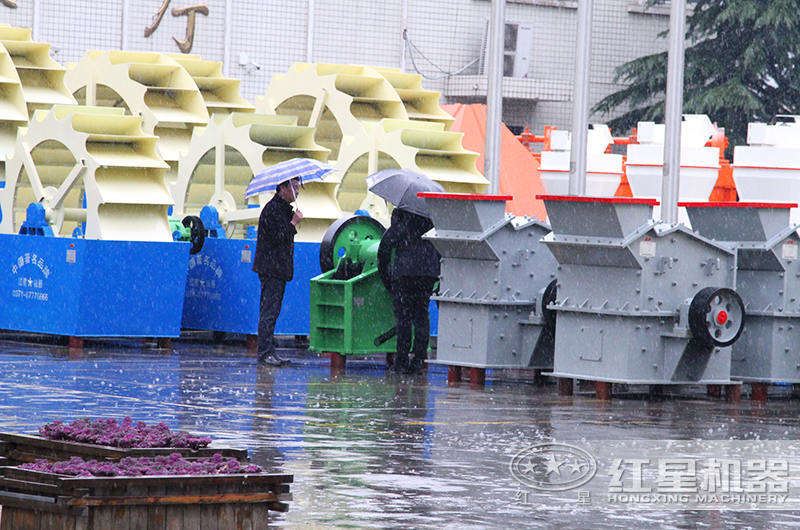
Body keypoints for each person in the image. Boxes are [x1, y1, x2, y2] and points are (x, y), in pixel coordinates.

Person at [377, 208, 441, 375]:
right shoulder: (433, 216)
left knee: (403, 319)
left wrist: (388, 281)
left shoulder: (401, 216)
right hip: (427, 274)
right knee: (421, 316)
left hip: (404, 274)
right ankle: (419, 360)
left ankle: (401, 362)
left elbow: (384, 250)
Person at [253, 177, 303, 366]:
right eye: (294, 187)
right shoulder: (273, 209)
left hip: (277, 268)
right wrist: (293, 222)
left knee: (272, 311)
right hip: (271, 268)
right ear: (283, 188)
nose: (297, 192)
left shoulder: (281, 209)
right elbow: (278, 237)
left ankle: (269, 350)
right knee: (269, 311)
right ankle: (265, 352)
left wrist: (291, 221)